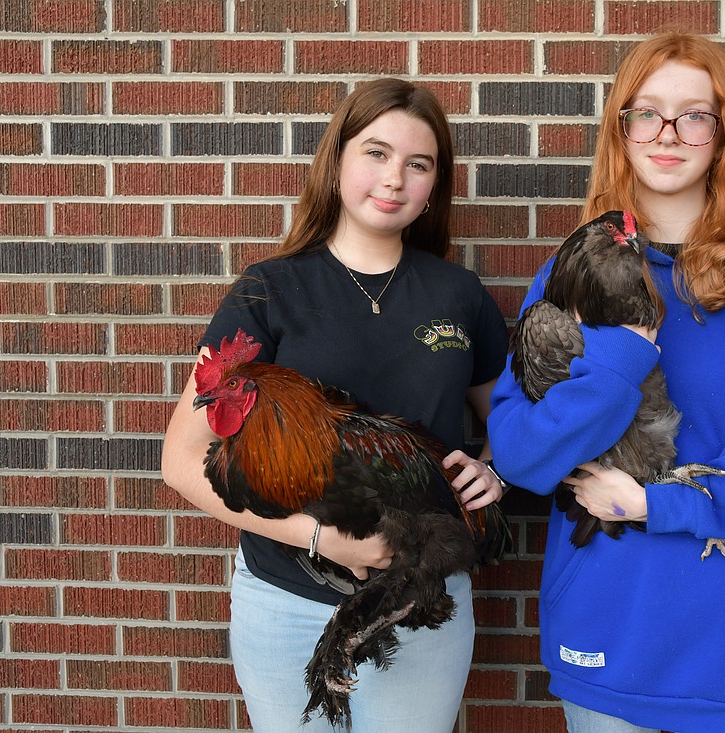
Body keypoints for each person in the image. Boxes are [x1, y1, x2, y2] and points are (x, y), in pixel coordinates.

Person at [486, 33, 725, 733]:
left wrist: (656, 503)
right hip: (610, 630)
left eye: (694, 114)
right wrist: (622, 361)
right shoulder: (567, 280)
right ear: (621, 128)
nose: (668, 133)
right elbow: (520, 454)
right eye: (647, 112)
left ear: (723, 135)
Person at [161, 78, 510, 733]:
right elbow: (182, 459)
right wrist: (320, 536)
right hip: (283, 603)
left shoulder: (460, 295)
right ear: (339, 161)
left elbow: (518, 425)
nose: (394, 177)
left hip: (420, 600)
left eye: (418, 163)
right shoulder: (270, 289)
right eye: (376, 153)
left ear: (435, 183)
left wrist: (495, 472)